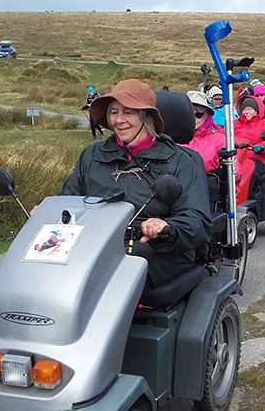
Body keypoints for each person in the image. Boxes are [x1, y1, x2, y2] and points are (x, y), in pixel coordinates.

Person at [56, 79, 212, 288]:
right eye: (114, 112)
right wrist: (50, 212)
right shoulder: (92, 155)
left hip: (160, 250)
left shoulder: (179, 160)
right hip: (97, 245)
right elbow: (69, 200)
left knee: (108, 276)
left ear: (146, 117)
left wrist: (167, 228)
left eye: (128, 112)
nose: (119, 120)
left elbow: (198, 222)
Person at [233, 95, 265, 204]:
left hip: (257, 158)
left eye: (250, 109)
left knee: (247, 172)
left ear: (257, 111)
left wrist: (262, 147)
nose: (246, 112)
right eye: (244, 109)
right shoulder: (235, 123)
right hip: (235, 157)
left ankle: (242, 200)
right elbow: (223, 136)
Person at [184, 91, 226, 172]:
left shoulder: (219, 139)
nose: (193, 119)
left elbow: (235, 173)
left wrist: (226, 167)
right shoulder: (173, 136)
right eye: (189, 114)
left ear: (206, 115)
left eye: (199, 114)